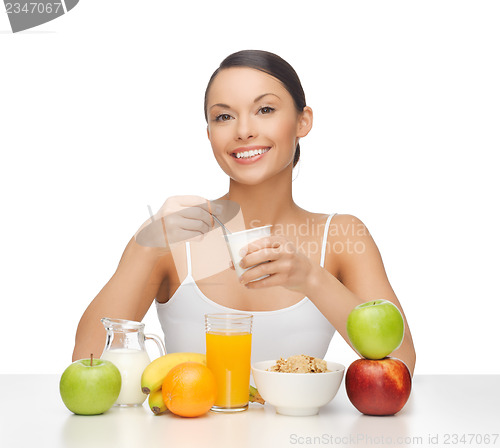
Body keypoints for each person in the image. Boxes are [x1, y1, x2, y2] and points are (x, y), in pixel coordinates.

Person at [73, 50, 416, 374]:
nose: (243, 131)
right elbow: (86, 366)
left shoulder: (342, 236)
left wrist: (313, 279)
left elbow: (400, 366)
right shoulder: (175, 235)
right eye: (224, 116)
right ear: (210, 134)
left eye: (265, 110)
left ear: (303, 121)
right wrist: (145, 246)